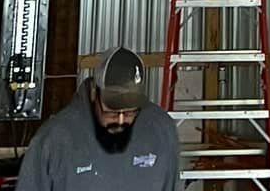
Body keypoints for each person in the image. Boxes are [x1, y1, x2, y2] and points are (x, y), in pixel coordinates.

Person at [15, 46, 178, 189]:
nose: (121, 121)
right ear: (94, 92)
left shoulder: (161, 130)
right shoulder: (55, 140)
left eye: (129, 112)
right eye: (111, 110)